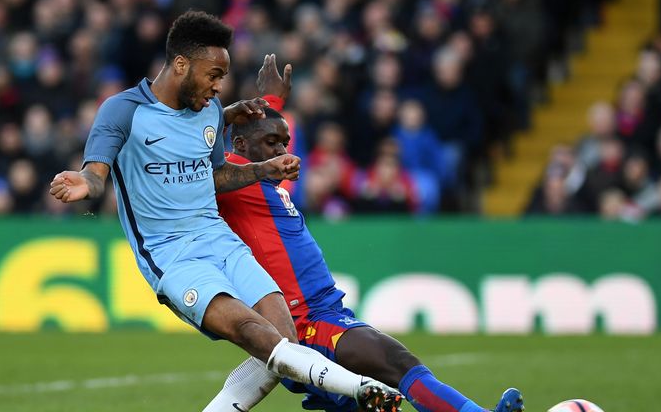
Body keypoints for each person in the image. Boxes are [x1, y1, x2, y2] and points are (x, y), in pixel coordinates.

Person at [48, 11, 401, 412]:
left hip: (221, 241)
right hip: (172, 255)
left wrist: (262, 170)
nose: (218, 87)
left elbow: (213, 177)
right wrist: (87, 183)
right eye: (213, 75)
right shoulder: (123, 110)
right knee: (254, 332)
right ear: (181, 65)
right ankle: (360, 390)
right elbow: (96, 174)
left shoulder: (210, 113)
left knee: (283, 343)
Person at [208, 54, 524, 412]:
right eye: (273, 145)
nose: (282, 152)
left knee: (374, 393)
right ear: (238, 148)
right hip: (303, 321)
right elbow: (192, 138)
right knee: (396, 361)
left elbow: (259, 133)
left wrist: (270, 103)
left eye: (285, 143)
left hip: (326, 309)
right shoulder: (231, 177)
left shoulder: (261, 174)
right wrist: (252, 108)